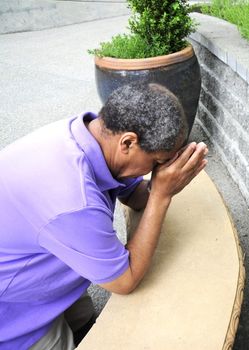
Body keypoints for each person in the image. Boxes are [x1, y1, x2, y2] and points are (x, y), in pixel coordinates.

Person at [0, 83, 208, 349]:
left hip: (37, 261)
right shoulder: (73, 199)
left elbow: (133, 195)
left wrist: (163, 183)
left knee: (82, 317)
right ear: (128, 142)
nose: (157, 169)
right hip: (13, 308)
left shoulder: (89, 135)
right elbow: (125, 280)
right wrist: (161, 195)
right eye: (157, 161)